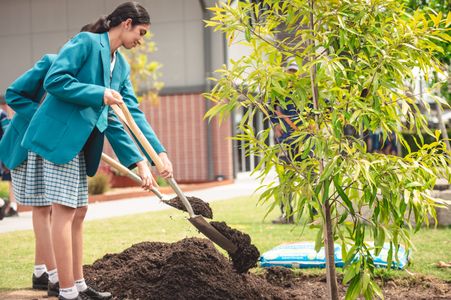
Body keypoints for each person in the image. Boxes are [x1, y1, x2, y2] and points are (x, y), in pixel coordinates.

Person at [19, 2, 169, 300]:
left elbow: (129, 114)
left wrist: (153, 156)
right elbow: (55, 80)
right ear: (126, 23)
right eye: (141, 32)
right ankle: (66, 291)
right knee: (64, 210)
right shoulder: (86, 43)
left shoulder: (120, 65)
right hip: (58, 138)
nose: (141, 39)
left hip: (80, 144)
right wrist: (99, 93)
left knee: (79, 212)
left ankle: (78, 285)